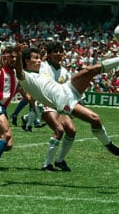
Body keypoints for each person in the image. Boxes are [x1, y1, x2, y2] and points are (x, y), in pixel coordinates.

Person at [15, 43, 119, 157]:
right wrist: (18, 54)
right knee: (95, 119)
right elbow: (19, 71)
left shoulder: (42, 68)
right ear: (26, 61)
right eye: (35, 58)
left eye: (39, 58)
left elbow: (46, 59)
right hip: (63, 101)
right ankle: (109, 145)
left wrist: (42, 53)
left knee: (89, 70)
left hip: (67, 88)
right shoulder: (26, 77)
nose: (39, 60)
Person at [37, 41, 77, 171]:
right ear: (48, 54)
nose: (58, 54)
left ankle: (59, 160)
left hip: (60, 105)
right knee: (59, 130)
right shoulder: (42, 66)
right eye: (55, 51)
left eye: (60, 51)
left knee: (71, 130)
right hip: (45, 103)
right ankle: (47, 164)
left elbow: (68, 90)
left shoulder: (64, 72)